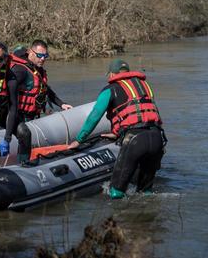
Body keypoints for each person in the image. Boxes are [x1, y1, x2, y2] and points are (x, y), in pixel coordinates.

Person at [68, 59, 165, 199]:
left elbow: (94, 116)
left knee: (116, 192)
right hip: (156, 137)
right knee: (146, 193)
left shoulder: (110, 89)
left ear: (112, 74)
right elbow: (146, 115)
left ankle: (118, 219)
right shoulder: (145, 85)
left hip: (135, 140)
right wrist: (116, 134)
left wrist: (79, 140)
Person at [9, 40, 73, 161]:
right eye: (40, 55)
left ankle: (29, 160)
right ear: (30, 52)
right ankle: (22, 164)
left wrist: (62, 104)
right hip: (19, 117)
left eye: (45, 56)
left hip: (33, 117)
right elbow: (7, 90)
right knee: (24, 139)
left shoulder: (37, 69)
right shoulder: (20, 71)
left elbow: (44, 89)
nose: (43, 59)